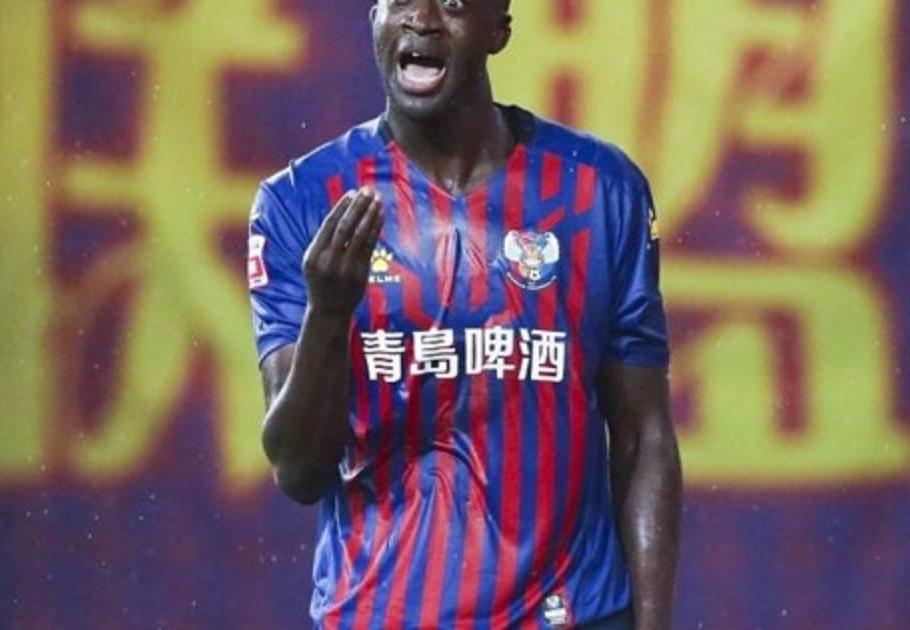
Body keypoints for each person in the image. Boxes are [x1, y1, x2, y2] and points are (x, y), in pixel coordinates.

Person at [247, 0, 681, 627]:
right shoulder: (301, 201)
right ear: (374, 17)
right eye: (401, 0)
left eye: (451, 4)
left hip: (571, 613)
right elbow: (299, 471)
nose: (421, 19)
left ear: (498, 30)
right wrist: (329, 314)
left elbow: (643, 437)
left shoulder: (599, 190)